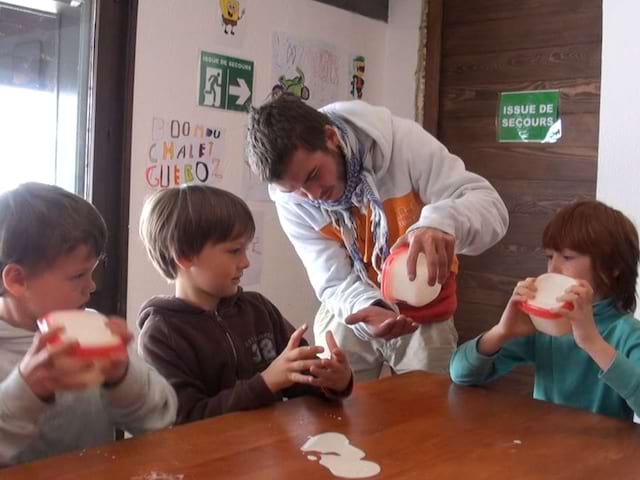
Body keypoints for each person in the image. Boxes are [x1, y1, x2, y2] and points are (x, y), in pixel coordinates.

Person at [246, 94, 508, 381]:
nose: (313, 196)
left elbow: (491, 208)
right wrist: (369, 308)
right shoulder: (293, 201)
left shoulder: (404, 144)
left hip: (427, 312)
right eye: (295, 189)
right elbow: (332, 280)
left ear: (331, 137)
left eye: (313, 175)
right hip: (349, 310)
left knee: (428, 417)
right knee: (340, 413)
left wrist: (443, 222)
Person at [137, 185, 352, 425]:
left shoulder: (258, 310)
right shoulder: (160, 336)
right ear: (185, 256)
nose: (246, 262)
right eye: (234, 251)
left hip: (271, 454)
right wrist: (266, 382)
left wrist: (334, 381)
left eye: (246, 249)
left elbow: (303, 386)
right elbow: (186, 421)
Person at [0, 182, 177, 467]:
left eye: (92, 272)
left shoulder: (94, 327)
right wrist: (25, 391)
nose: (91, 286)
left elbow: (161, 420)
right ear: (17, 280)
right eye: (78, 275)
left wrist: (122, 376)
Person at [450, 200, 640, 420]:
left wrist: (592, 342)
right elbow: (460, 374)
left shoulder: (628, 333)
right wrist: (501, 331)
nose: (553, 268)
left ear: (613, 267)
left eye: (567, 257)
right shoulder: (545, 328)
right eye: (550, 257)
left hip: (606, 453)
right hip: (542, 448)